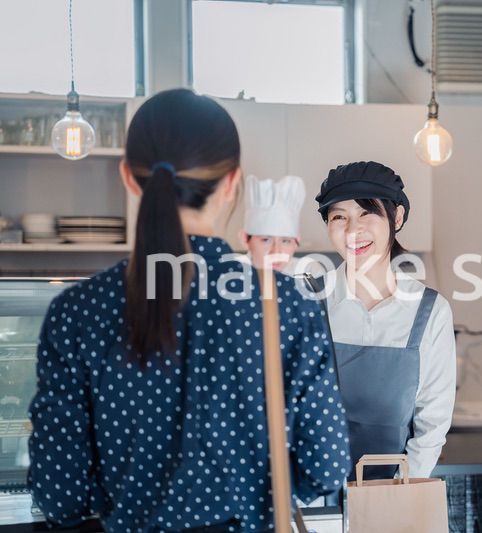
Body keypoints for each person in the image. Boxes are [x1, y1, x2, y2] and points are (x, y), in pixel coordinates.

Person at [27, 88, 350, 532]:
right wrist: (255, 494)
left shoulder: (77, 311)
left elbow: (58, 493)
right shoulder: (287, 305)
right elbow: (327, 467)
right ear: (233, 182)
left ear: (127, 176)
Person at [314, 160, 456, 480]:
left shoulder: (430, 311)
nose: (353, 230)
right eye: (339, 216)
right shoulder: (308, 302)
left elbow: (432, 427)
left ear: (398, 216)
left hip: (394, 491)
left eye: (367, 212)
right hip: (313, 495)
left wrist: (394, 494)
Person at [240, 174, 306, 274]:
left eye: (285, 241)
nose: (276, 252)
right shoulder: (230, 276)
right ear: (244, 239)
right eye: (266, 240)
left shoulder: (310, 274)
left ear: (297, 241)